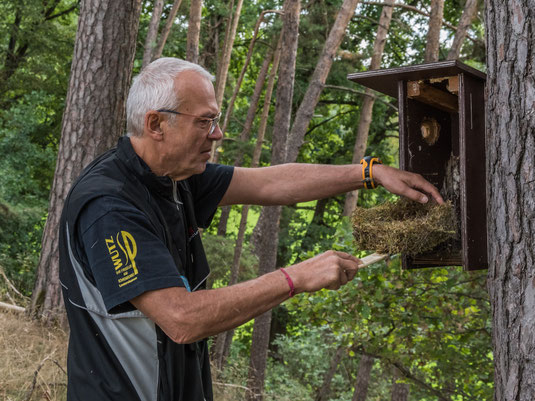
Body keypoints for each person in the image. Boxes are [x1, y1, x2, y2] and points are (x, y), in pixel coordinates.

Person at [59, 57, 444, 401]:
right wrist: (295, 277)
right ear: (156, 124)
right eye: (205, 121)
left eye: (216, 119)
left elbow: (270, 183)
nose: (217, 133)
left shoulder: (175, 176)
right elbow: (181, 319)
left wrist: (368, 172)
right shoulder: (109, 205)